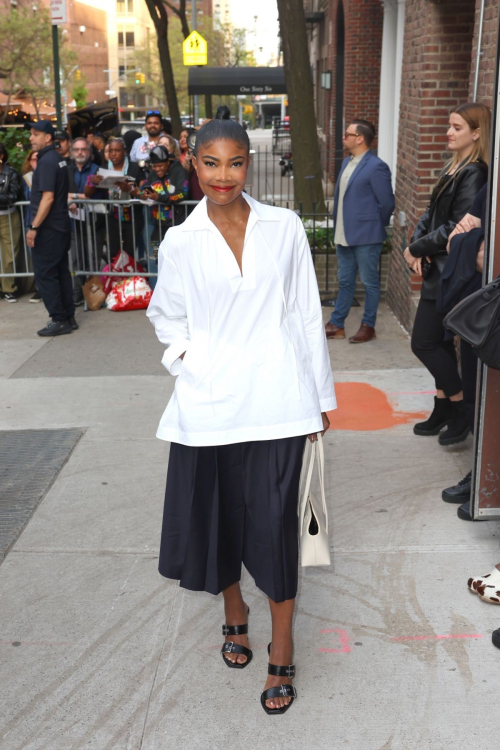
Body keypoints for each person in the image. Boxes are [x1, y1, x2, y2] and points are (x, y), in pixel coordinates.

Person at [147, 105, 336, 715]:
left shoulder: (283, 228)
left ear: (248, 163)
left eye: (234, 163)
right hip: (207, 408)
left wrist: (319, 398)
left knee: (277, 528)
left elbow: (306, 314)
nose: (222, 176)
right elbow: (165, 316)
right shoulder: (180, 239)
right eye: (210, 164)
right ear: (192, 163)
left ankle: (282, 647)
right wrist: (191, 361)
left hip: (279, 402)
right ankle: (234, 609)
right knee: (219, 519)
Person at [403, 102, 490, 446]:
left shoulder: (474, 172)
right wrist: (414, 246)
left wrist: (418, 249)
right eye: (449, 126)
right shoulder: (455, 167)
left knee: (423, 342)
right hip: (435, 268)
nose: (448, 132)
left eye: (457, 127)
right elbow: (429, 216)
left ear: (477, 133)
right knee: (438, 342)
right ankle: (442, 406)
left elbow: (457, 227)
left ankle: (460, 407)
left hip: (450, 273)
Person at [325, 119, 395, 343]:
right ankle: (337, 324)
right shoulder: (347, 162)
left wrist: (373, 226)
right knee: (345, 281)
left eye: (347, 134)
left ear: (360, 138)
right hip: (344, 235)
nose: (343, 137)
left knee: (369, 282)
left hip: (367, 236)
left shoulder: (376, 166)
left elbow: (387, 203)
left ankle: (368, 326)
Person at [25, 120, 75, 336]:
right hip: (59, 225)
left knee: (46, 274)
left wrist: (34, 226)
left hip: (48, 228)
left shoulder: (46, 162)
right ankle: (68, 316)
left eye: (35, 134)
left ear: (47, 137)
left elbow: (48, 198)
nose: (30, 138)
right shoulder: (57, 158)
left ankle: (59, 318)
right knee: (60, 272)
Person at [85, 137, 145, 258]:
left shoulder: (135, 168)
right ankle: (116, 277)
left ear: (124, 151)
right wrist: (93, 182)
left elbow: (143, 193)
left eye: (117, 150)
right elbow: (87, 193)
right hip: (113, 216)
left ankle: (129, 276)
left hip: (133, 216)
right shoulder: (103, 168)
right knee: (113, 252)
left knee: (129, 252)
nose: (113, 154)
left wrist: (129, 189)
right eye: (110, 150)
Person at [68, 137, 103, 305]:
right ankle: (77, 292)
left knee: (93, 259)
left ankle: (94, 295)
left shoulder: (96, 170)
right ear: (72, 153)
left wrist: (74, 197)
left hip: (93, 222)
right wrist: (73, 200)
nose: (80, 152)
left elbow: (96, 195)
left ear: (89, 152)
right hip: (74, 223)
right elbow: (62, 193)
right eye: (76, 150)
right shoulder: (67, 170)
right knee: (76, 259)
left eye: (83, 149)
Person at [139, 145, 188, 237]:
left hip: (177, 225)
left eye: (160, 166)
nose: (157, 169)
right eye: (155, 166)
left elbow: (183, 193)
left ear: (168, 162)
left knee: (174, 251)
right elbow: (142, 189)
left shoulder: (179, 171)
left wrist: (159, 197)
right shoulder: (153, 174)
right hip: (158, 226)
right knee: (156, 250)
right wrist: (142, 195)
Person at [0, 142, 22, 303]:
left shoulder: (11, 173)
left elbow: (14, 196)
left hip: (8, 216)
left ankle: (9, 288)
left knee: (10, 255)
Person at [21, 150, 42, 303]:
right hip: (30, 219)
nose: (36, 162)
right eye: (34, 160)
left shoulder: (48, 174)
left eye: (39, 159)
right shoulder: (26, 178)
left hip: (45, 221)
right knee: (34, 255)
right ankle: (39, 288)